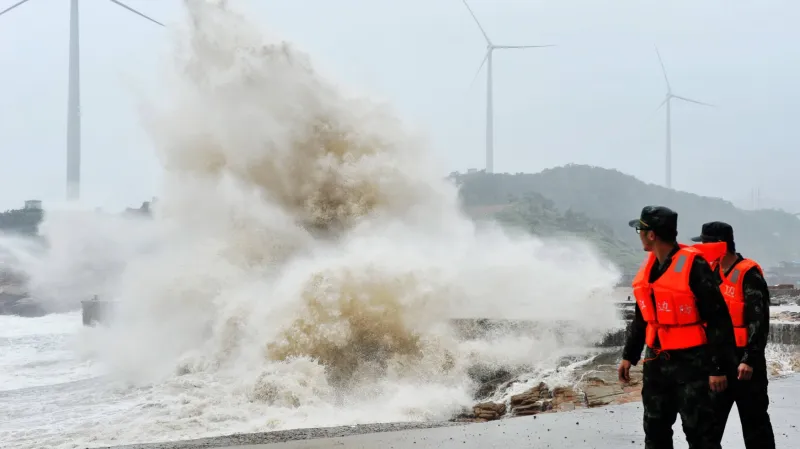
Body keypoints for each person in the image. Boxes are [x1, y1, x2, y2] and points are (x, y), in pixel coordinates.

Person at [617, 206, 737, 449]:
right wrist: (629, 355)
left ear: (651, 235)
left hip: (692, 362)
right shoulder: (649, 268)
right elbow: (643, 316)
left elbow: (718, 318)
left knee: (700, 433)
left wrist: (717, 368)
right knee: (655, 430)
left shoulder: (695, 265)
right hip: (656, 361)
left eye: (640, 230)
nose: (638, 234)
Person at [691, 222, 775, 449]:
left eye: (705, 243)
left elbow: (759, 320)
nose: (701, 248)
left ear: (720, 245)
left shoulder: (749, 274)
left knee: (755, 425)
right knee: (708, 427)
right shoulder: (711, 273)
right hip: (719, 363)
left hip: (745, 365)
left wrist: (750, 359)